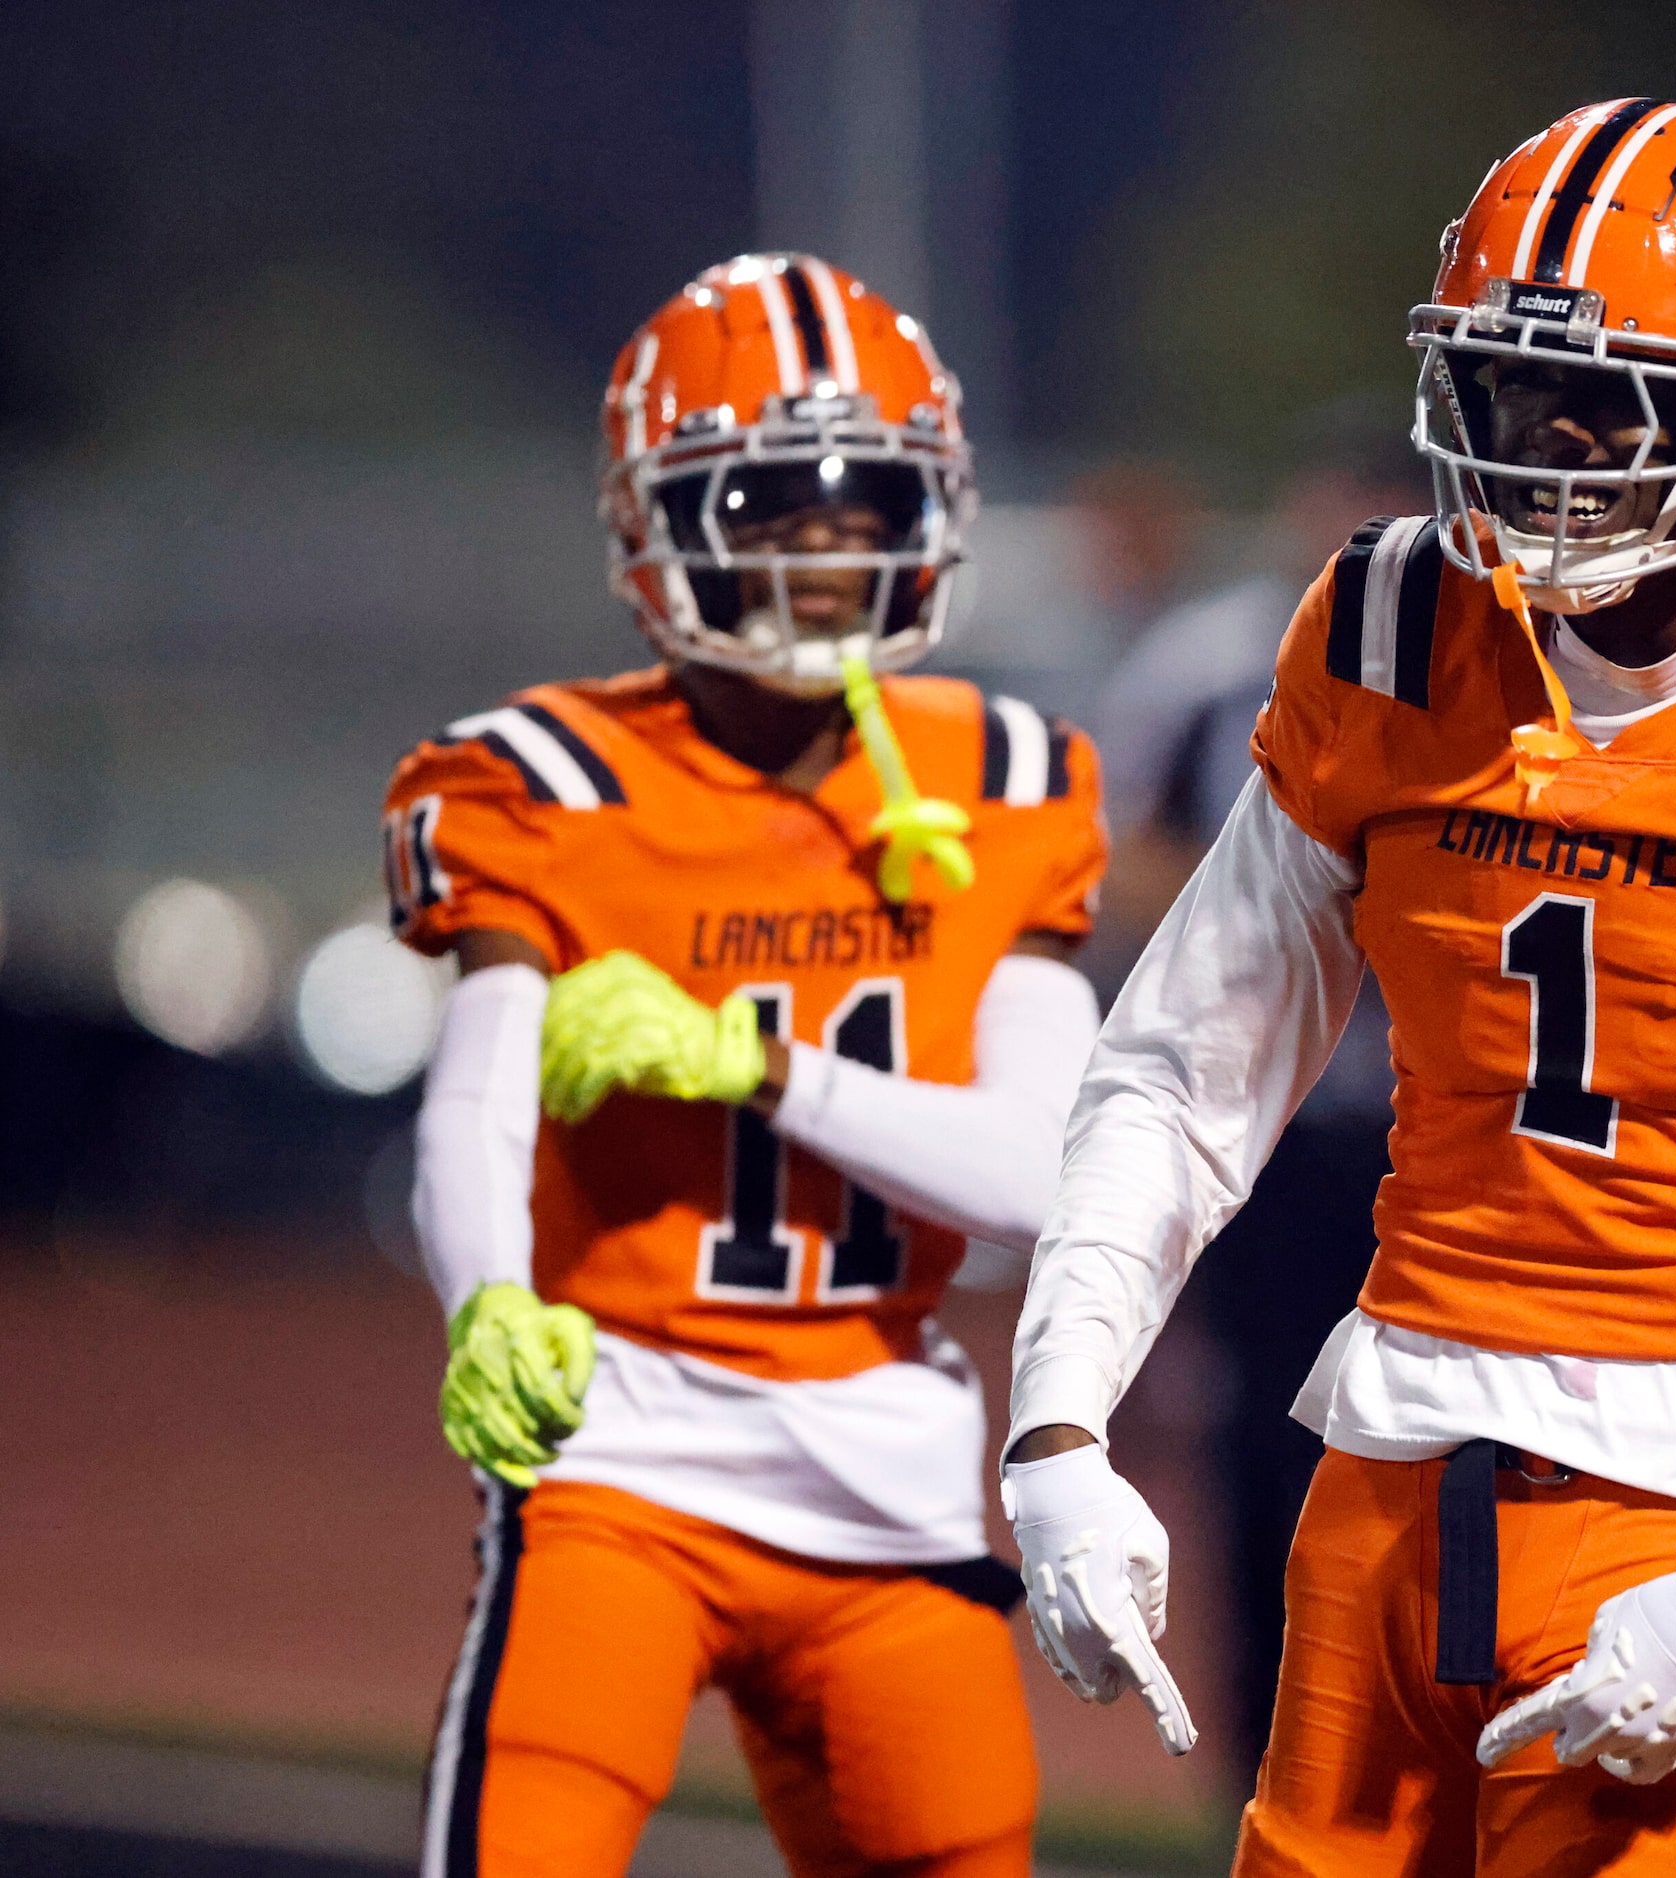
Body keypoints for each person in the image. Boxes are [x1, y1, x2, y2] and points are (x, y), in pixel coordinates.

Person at [999, 100, 1676, 1877]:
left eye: (1617, 404)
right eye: (1513, 394)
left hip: (1672, 1498)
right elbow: (1181, 1068)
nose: (1553, 452)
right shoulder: (1389, 625)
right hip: (1384, 1466)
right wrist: (1055, 1421)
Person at [382, 252, 1107, 1878]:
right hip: (624, 1450)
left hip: (891, 1469)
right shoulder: (543, 778)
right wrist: (487, 1294)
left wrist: (754, 1062)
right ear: (656, 521)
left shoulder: (999, 776)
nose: (828, 545)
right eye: (771, 500)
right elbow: (478, 1101)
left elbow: (1045, 1174)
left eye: (863, 498)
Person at [1093, 417, 1430, 1795]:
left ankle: (1401, 1760)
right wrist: (1276, 899)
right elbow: (1115, 857)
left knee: (1433, 1440)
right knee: (1254, 1440)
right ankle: (1255, 1763)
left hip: (1427, 1117)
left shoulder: (1490, 657)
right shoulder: (1213, 662)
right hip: (1268, 1126)